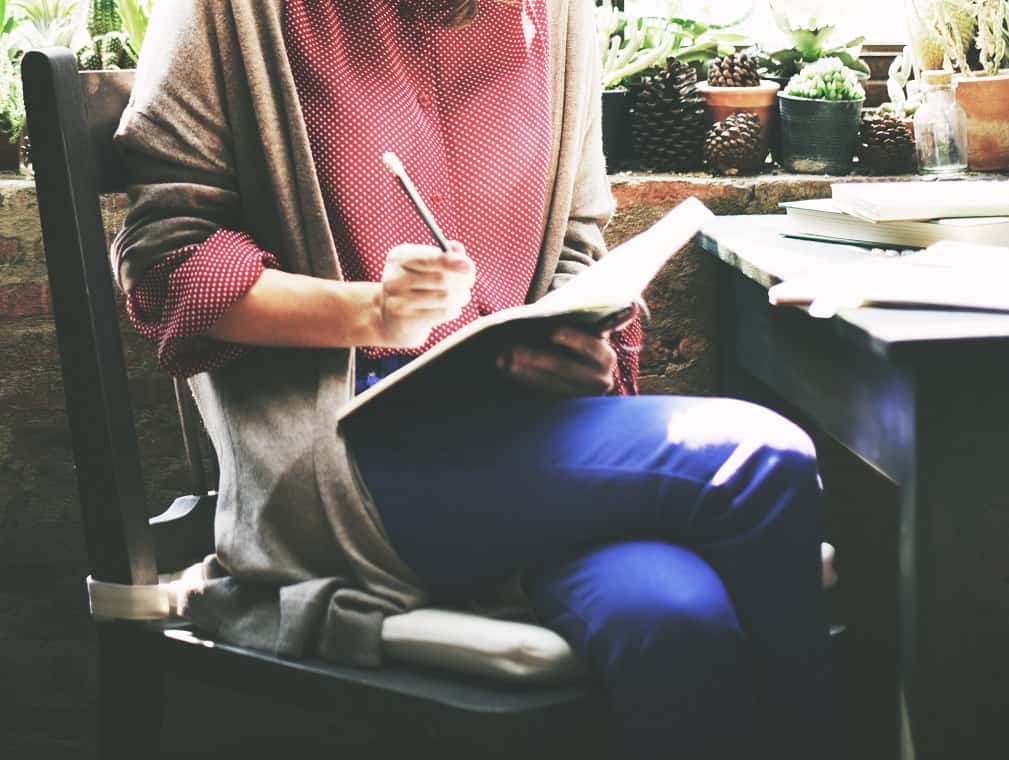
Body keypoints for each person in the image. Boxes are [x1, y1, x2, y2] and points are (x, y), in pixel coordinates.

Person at [112, 1, 837, 757]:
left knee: (673, 615)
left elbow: (577, 241)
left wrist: (577, 345)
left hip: (527, 449)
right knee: (759, 460)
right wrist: (372, 314)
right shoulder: (234, 13)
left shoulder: (555, 14)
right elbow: (168, 266)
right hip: (344, 464)